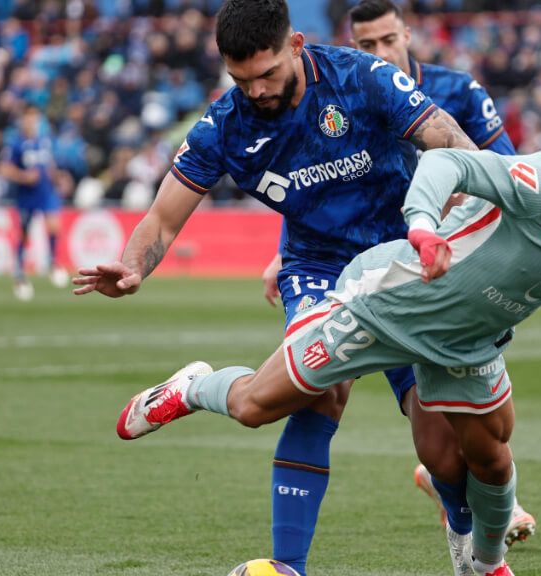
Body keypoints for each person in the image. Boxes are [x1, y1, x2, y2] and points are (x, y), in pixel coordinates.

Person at [90, 149, 541, 576]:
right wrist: (422, 224)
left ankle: (487, 563)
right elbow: (448, 164)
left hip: (465, 344)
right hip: (383, 304)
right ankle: (191, 385)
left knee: (489, 458)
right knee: (252, 407)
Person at [71, 0, 483, 573]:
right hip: (318, 266)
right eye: (241, 79)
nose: (257, 90)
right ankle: (289, 566)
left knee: (442, 443)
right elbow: (163, 219)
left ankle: (468, 549)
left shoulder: (360, 78)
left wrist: (467, 212)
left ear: (296, 45)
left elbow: (451, 141)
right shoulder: (224, 127)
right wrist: (135, 265)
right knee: (318, 390)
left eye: (267, 74)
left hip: (399, 260)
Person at [254, 0, 532, 571]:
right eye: (367, 44)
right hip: (353, 265)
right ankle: (288, 564)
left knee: (456, 435)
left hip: (432, 267)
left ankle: (460, 504)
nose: (380, 53)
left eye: (388, 40)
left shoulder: (457, 92)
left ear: (408, 33)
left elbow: (505, 169)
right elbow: (315, 174)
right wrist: (284, 252)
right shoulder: (353, 87)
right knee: (317, 390)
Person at [0, 106, 69, 301]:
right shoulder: (15, 143)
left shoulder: (44, 142)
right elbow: (4, 169)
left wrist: (57, 177)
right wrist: (23, 176)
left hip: (46, 192)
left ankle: (53, 263)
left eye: (35, 118)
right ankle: (20, 273)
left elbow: (49, 165)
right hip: (26, 195)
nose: (32, 122)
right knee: (24, 233)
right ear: (23, 120)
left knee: (54, 225)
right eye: (28, 118)